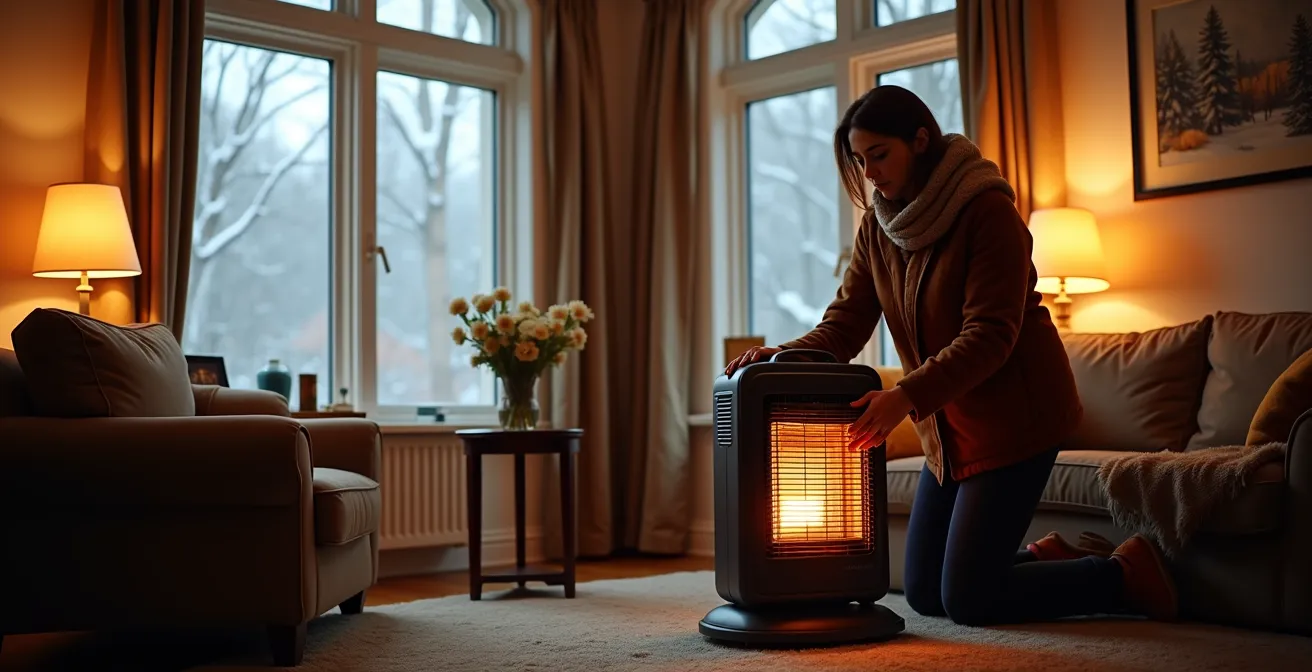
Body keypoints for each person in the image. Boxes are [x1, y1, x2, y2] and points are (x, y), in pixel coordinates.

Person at [724, 85, 1177, 626]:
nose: (869, 173)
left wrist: (904, 398)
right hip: (950, 430)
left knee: (969, 600)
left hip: (1018, 421)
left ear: (920, 140)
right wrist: (779, 358)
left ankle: (1121, 574)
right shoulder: (879, 227)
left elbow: (989, 334)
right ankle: (1042, 561)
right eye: (859, 160)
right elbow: (844, 326)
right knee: (924, 593)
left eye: (879, 155)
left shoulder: (987, 212)